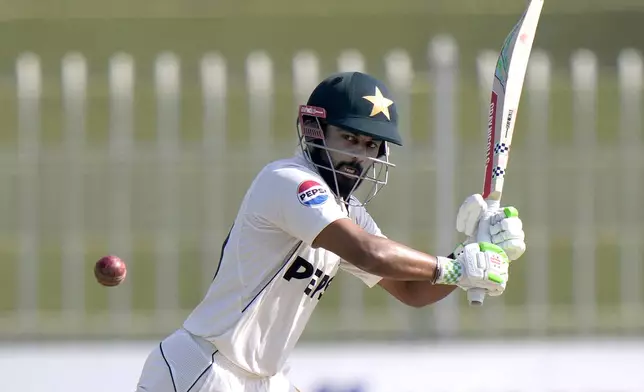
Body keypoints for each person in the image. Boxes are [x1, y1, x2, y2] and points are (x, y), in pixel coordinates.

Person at [135, 71, 526, 392]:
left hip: (264, 380)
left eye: (371, 144)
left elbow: (411, 290)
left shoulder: (349, 213)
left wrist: (475, 251)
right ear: (315, 130)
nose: (359, 156)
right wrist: (455, 269)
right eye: (350, 139)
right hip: (203, 370)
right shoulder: (287, 180)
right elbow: (369, 254)